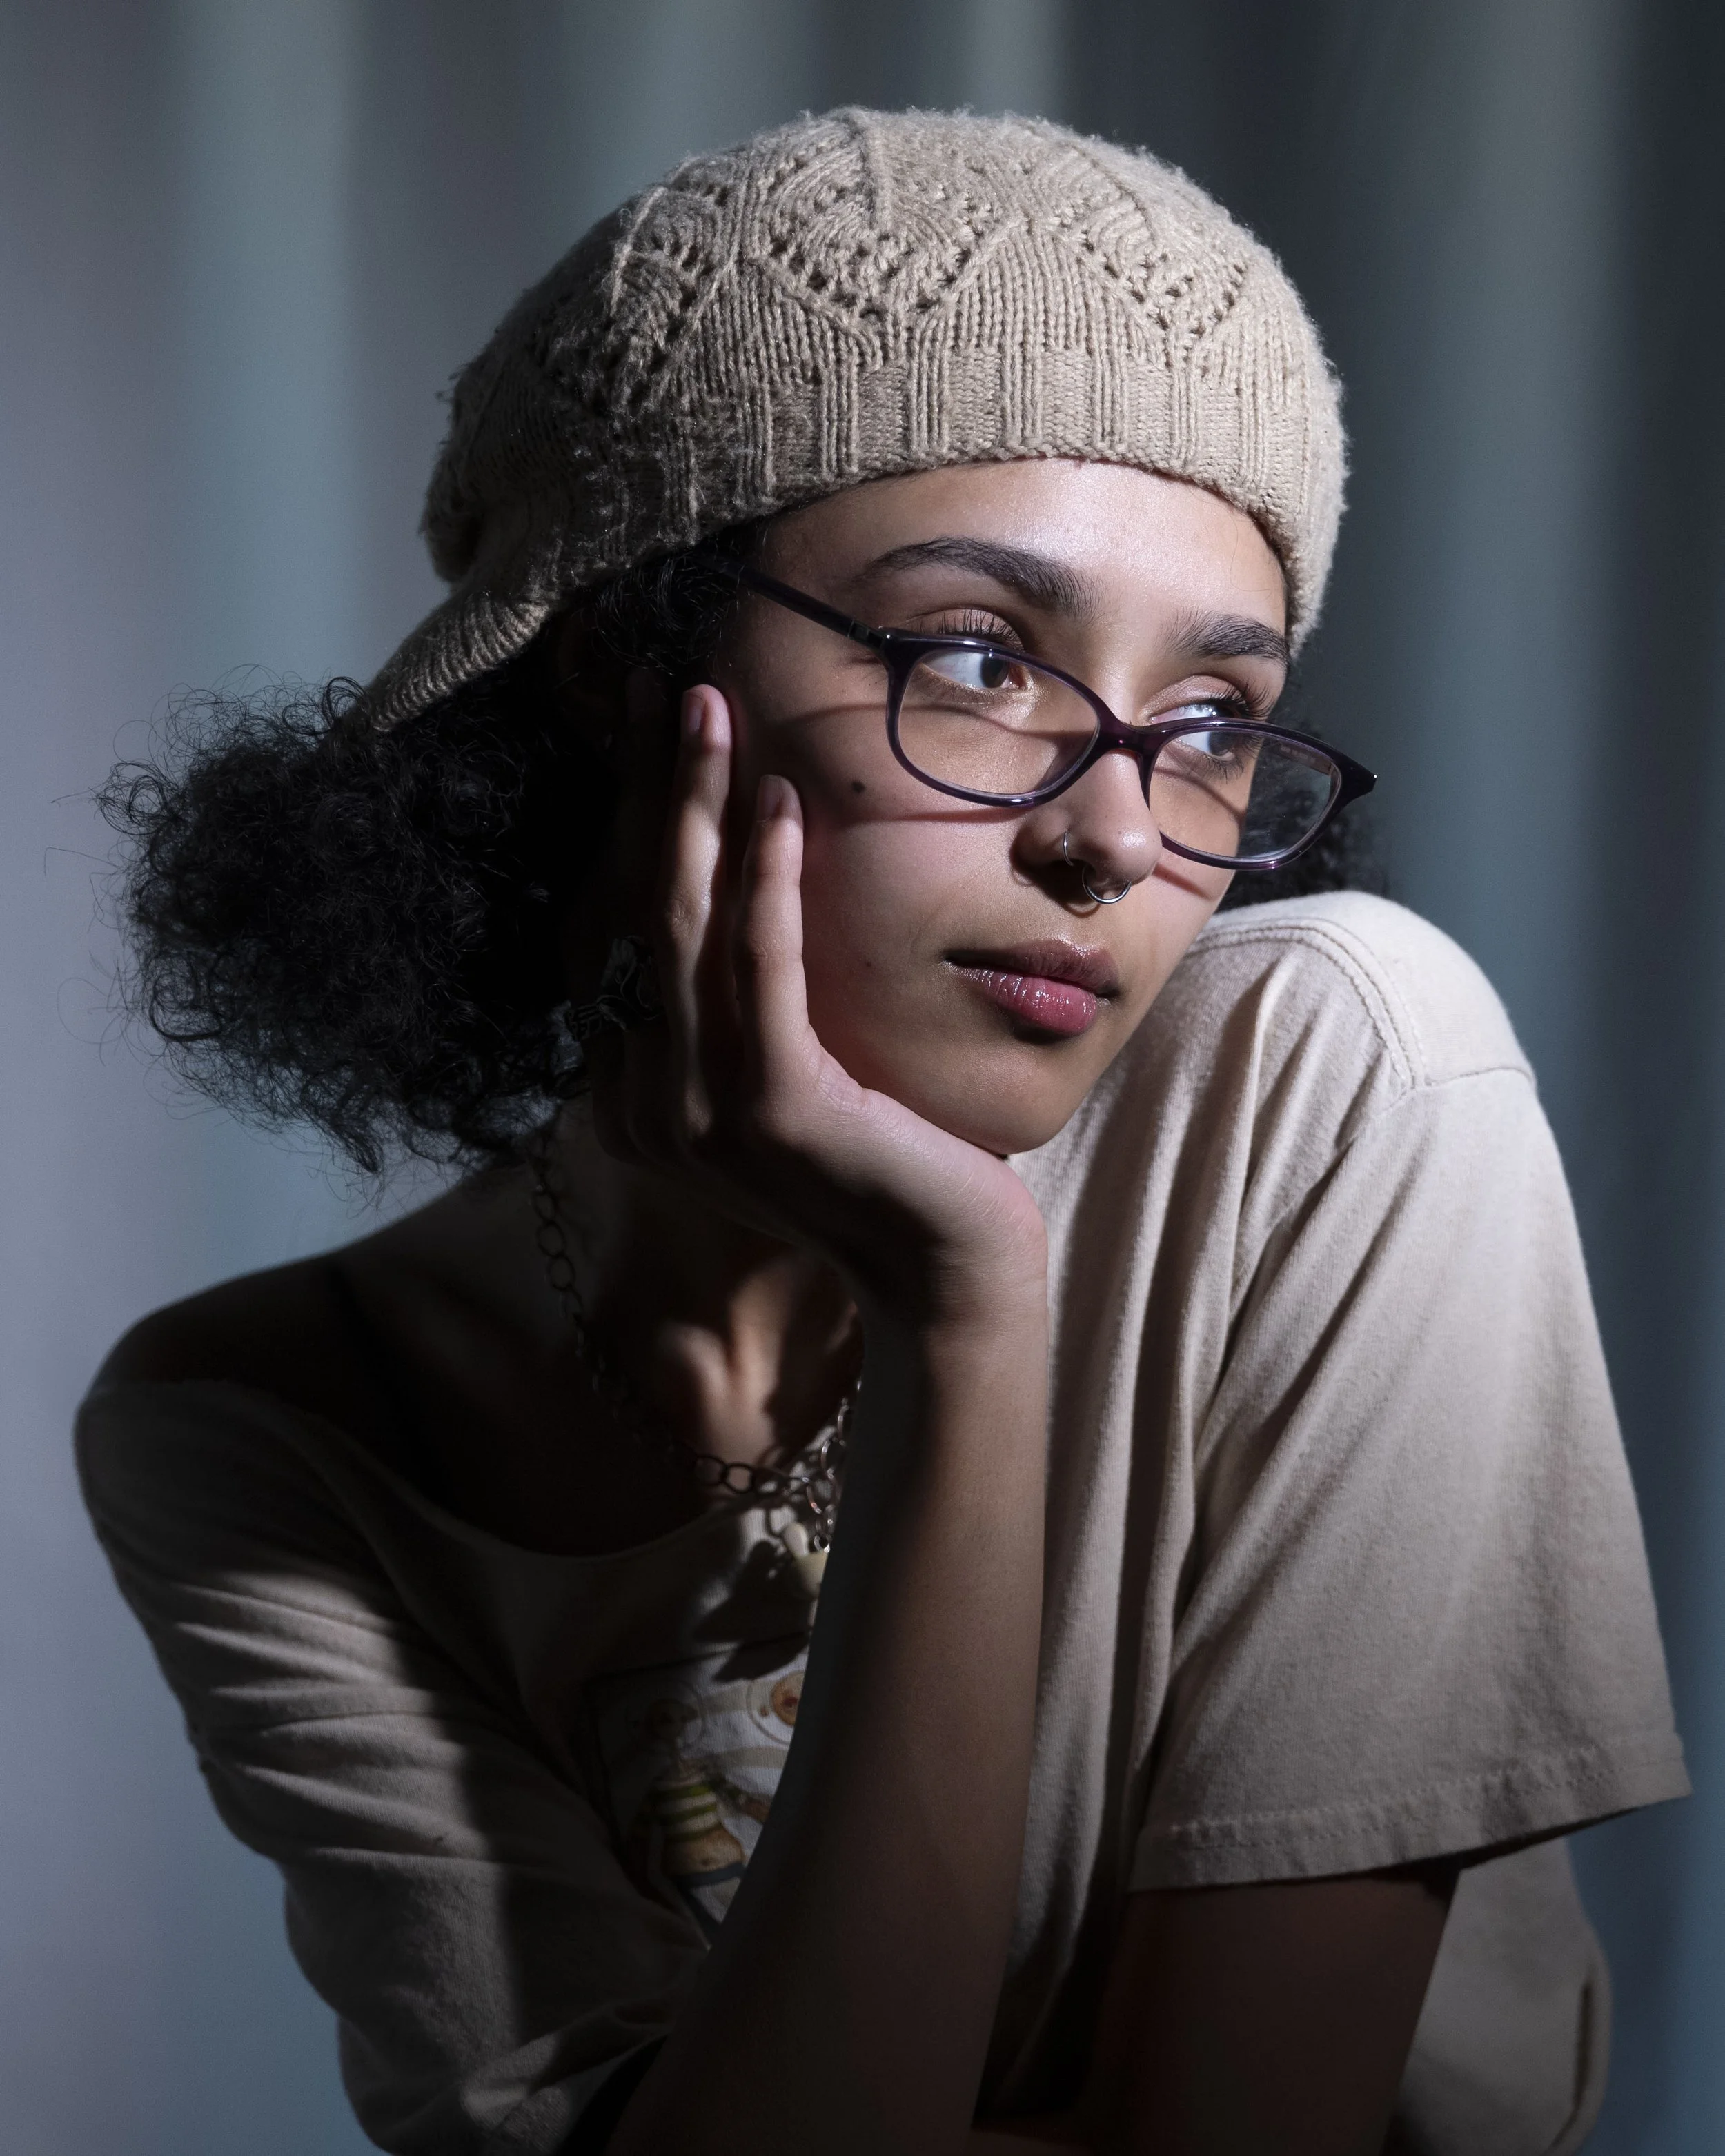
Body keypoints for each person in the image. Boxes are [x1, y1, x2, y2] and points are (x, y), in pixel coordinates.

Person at [80, 109, 1684, 2156]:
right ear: (615, 674)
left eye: (1209, 724)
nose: (1116, 827)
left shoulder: (1332, 1068)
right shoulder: (266, 1424)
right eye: (975, 657)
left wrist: (965, 1293)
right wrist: (958, 1314)